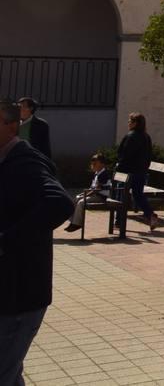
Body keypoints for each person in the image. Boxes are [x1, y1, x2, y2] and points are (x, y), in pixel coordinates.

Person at [0, 101, 74, 385]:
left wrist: (8, 240)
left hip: (20, 296)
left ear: (11, 125)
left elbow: (60, 202)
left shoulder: (26, 161)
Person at [116, 112, 160, 231]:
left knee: (120, 195)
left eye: (130, 121)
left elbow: (124, 154)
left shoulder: (130, 136)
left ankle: (119, 221)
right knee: (138, 195)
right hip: (141, 171)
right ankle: (150, 214)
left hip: (127, 172)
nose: (128, 123)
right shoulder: (146, 137)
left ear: (135, 123)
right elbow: (149, 154)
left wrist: (118, 167)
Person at [65, 153, 113, 232]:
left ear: (102, 164)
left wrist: (85, 195)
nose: (92, 165)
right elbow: (92, 187)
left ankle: (77, 224)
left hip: (100, 197)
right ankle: (73, 222)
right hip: (95, 195)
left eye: (95, 163)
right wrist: (82, 194)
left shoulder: (103, 174)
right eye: (92, 163)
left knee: (81, 202)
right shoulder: (97, 173)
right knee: (76, 198)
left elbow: (97, 190)